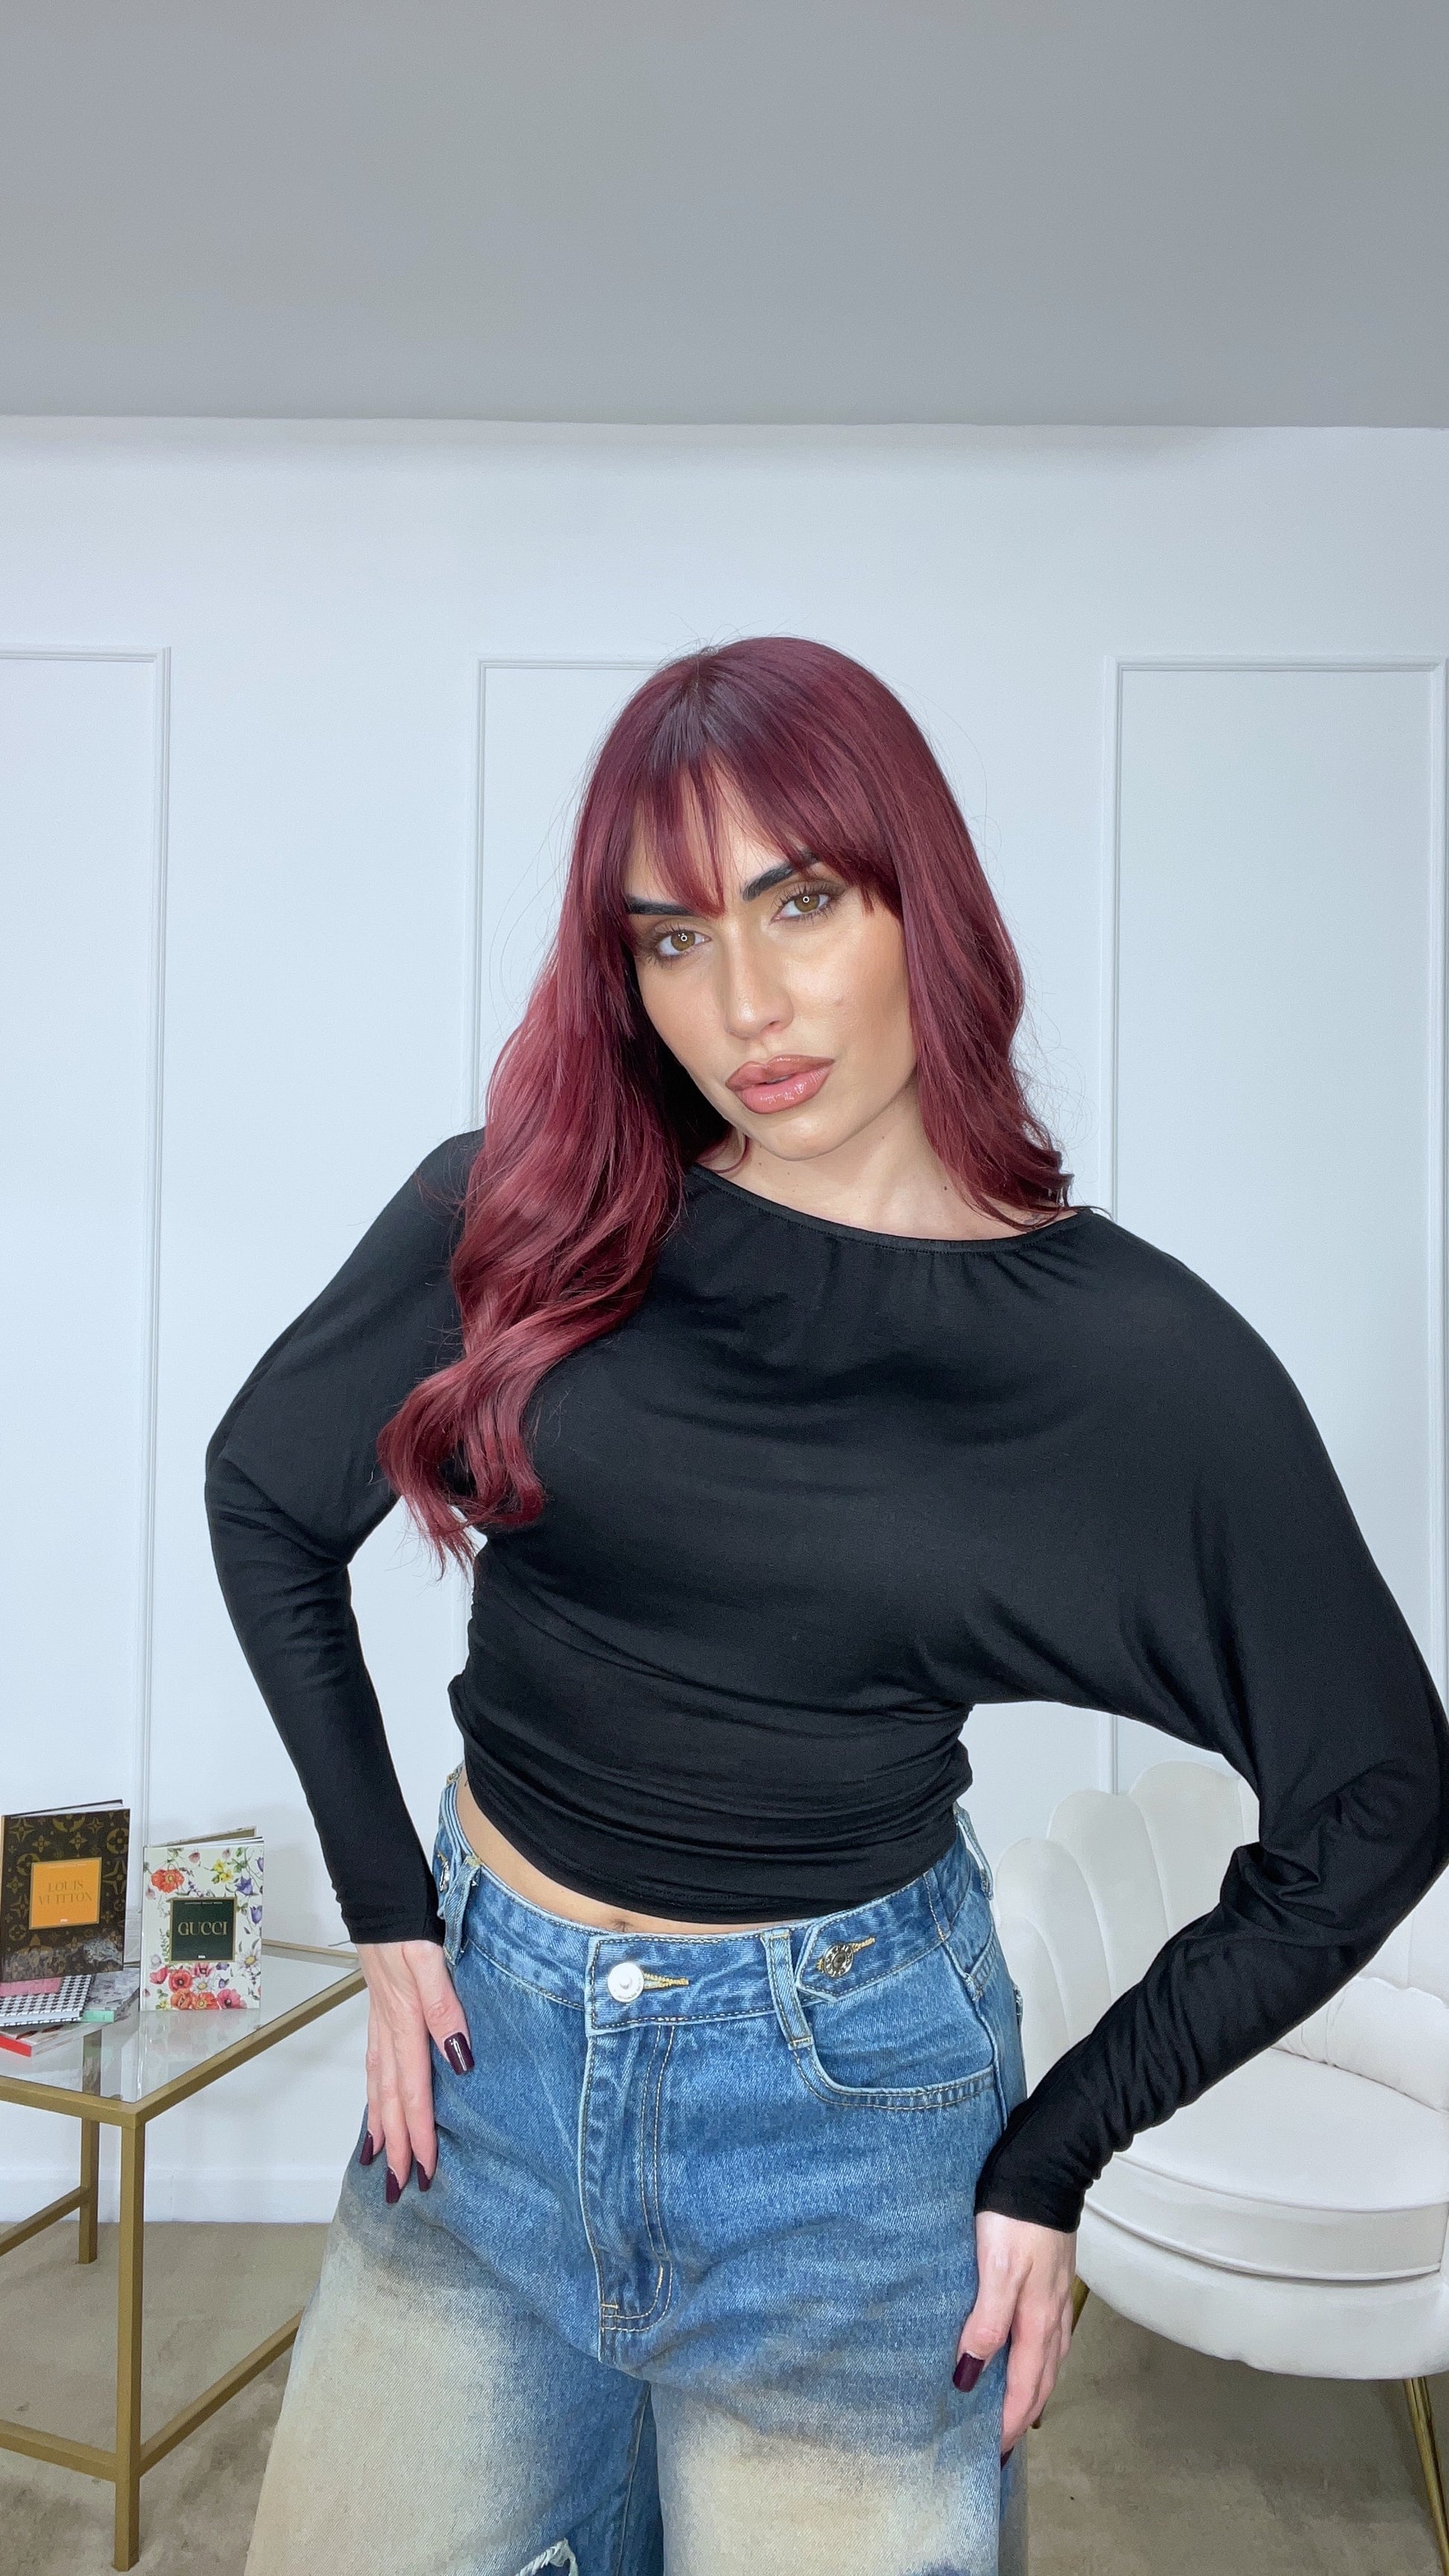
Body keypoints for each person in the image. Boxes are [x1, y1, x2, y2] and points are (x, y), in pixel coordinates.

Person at [206, 637, 1449, 2576]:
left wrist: (1058, 2148)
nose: (744, 1004)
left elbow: (1376, 1790)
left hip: (848, 2131)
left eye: (798, 903)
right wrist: (385, 1906)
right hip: (481, 2070)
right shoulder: (528, 1212)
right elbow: (266, 1493)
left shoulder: (1127, 1363)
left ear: (916, 900)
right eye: (673, 936)